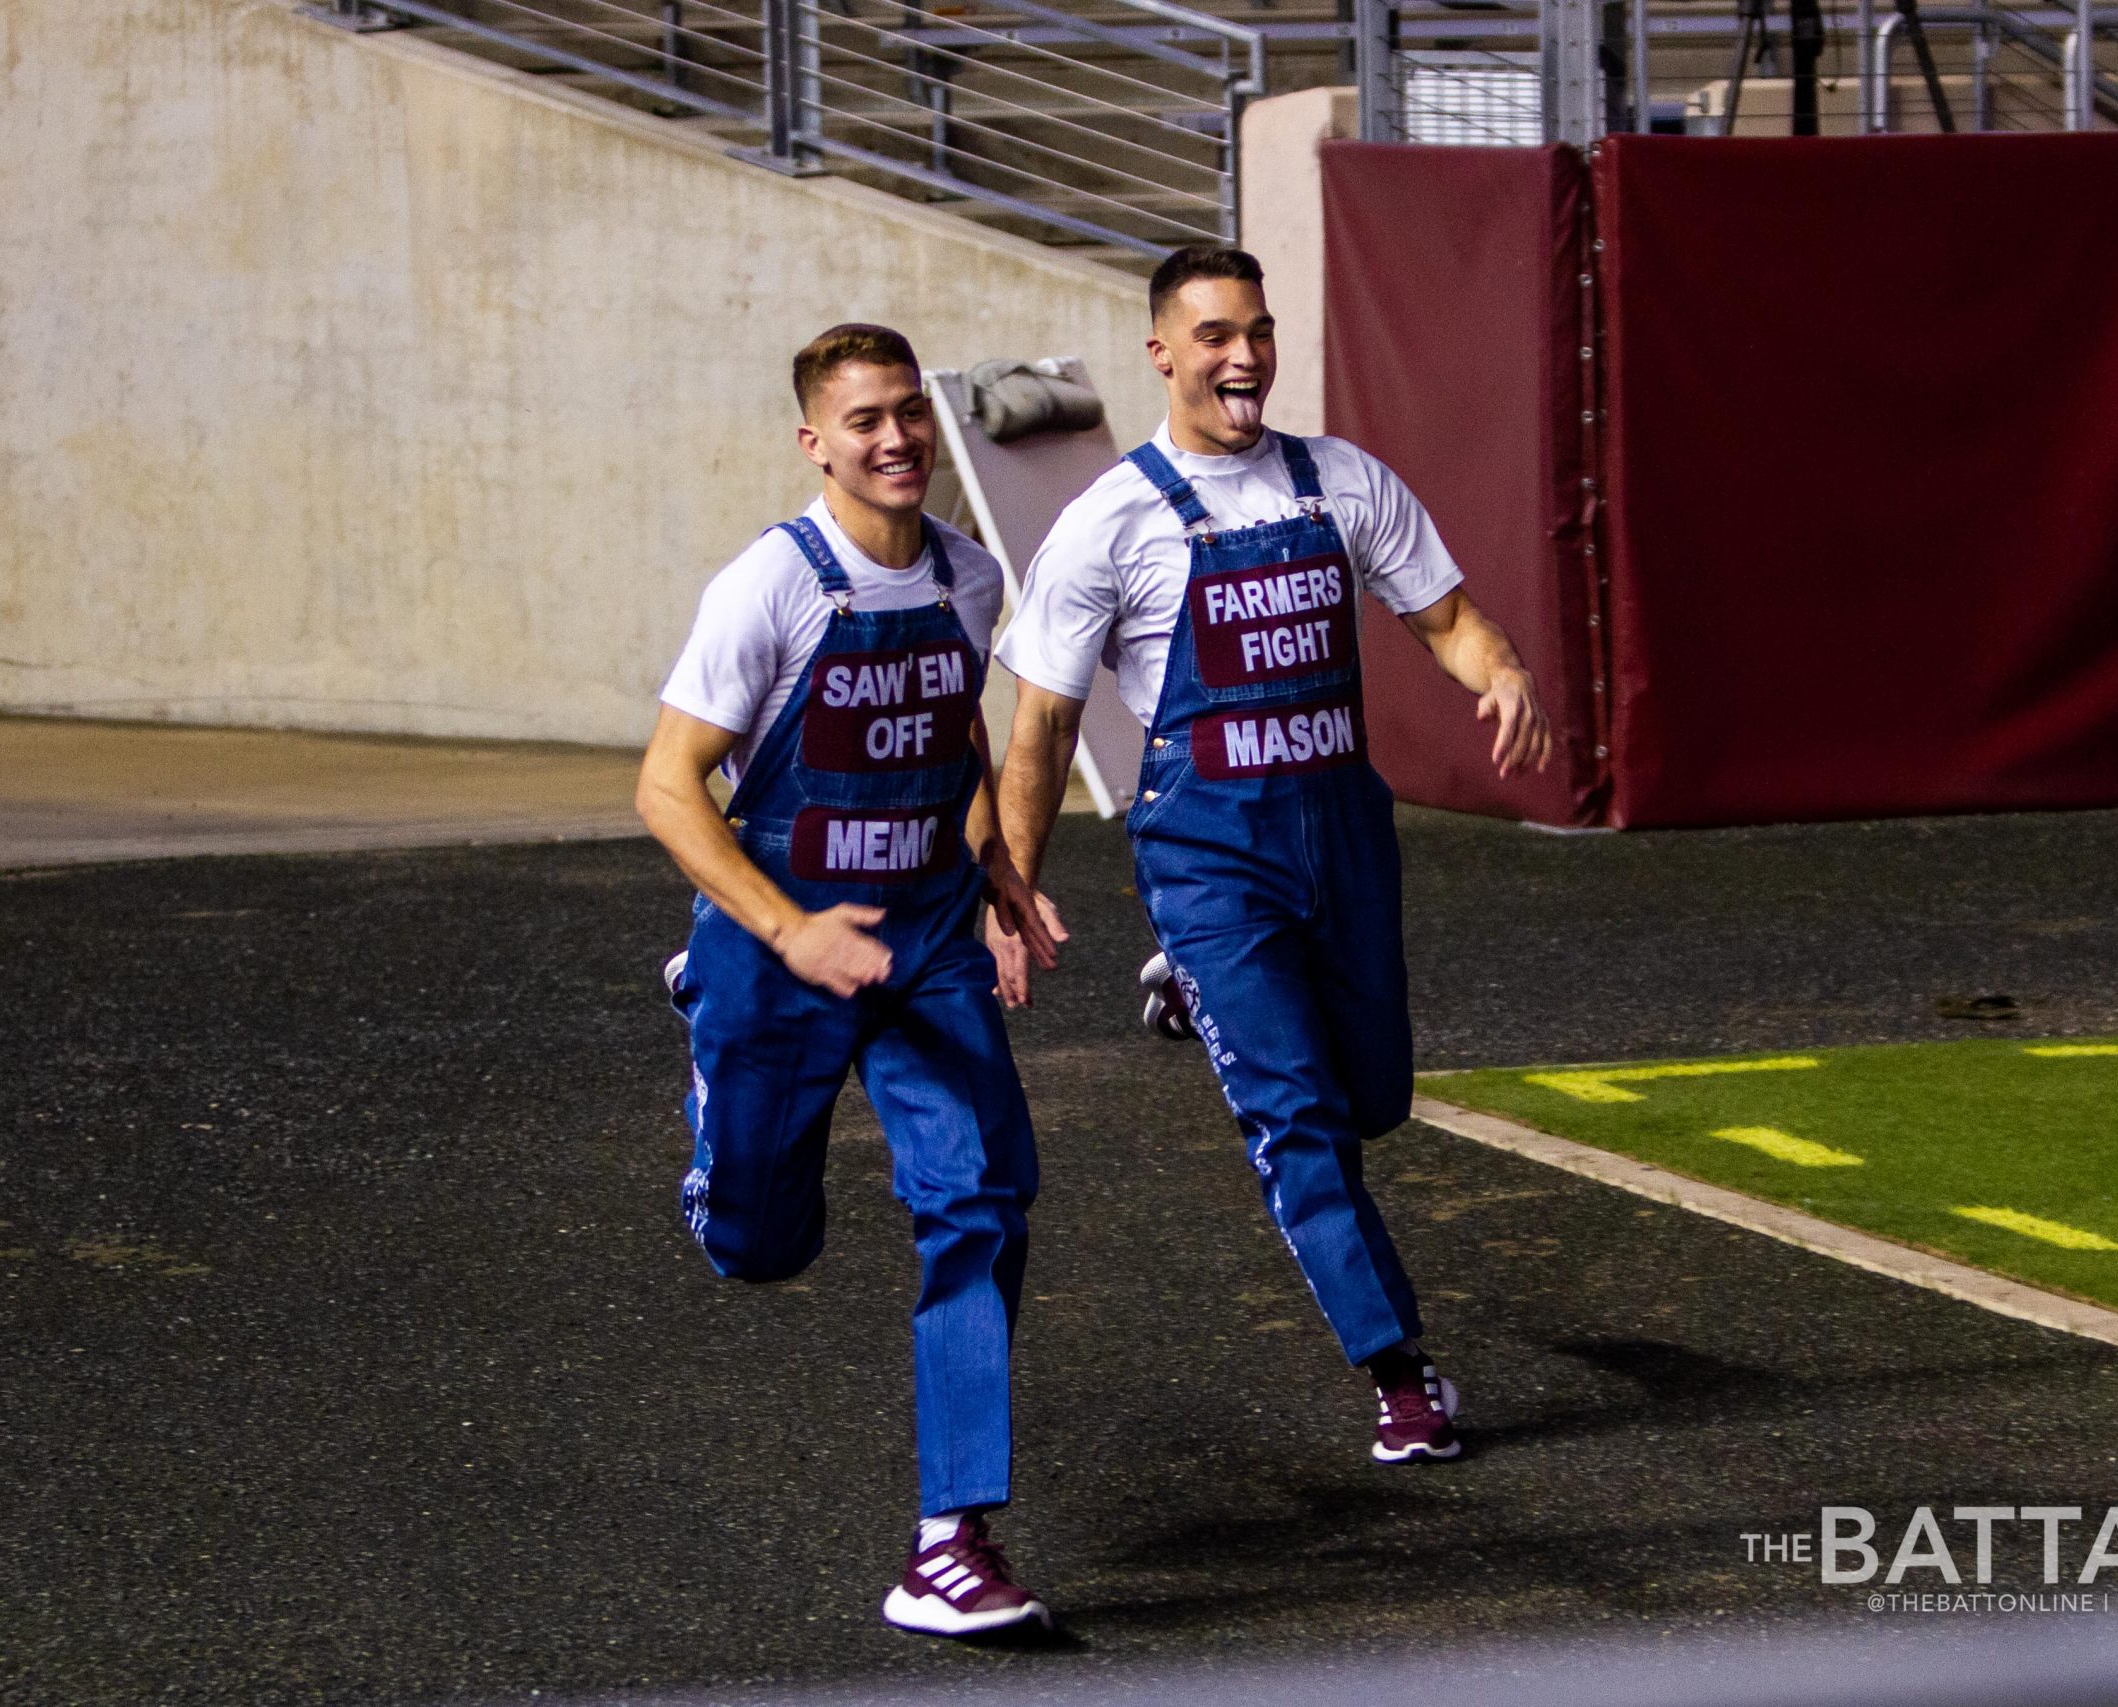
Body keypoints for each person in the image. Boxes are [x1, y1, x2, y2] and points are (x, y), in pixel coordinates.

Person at [989, 248, 1552, 1465]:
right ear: (1161, 354)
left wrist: (1499, 672)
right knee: (1296, 1121)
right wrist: (1012, 880)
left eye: (1257, 332)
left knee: (1372, 1101)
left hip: (1341, 830)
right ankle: (1400, 1374)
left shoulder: (1340, 482)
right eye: (1213, 337)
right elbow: (1036, 726)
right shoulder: (1109, 523)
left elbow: (1446, 619)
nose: (1241, 357)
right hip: (1207, 853)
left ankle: (1196, 996)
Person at [635, 323, 1068, 1637]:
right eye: (864, 420)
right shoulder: (765, 588)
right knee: (762, 1246)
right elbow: (666, 786)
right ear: (815, 441)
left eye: (909, 416)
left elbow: (958, 747)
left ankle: (951, 1538)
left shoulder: (970, 576)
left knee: (982, 1198)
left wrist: (997, 867)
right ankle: (714, 1043)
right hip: (783, 944)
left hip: (928, 938)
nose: (895, 440)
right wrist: (785, 931)